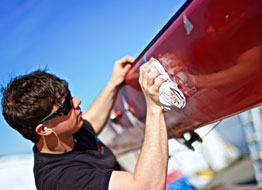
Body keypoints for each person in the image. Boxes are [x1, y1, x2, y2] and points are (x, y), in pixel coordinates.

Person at [1, 56, 168, 190]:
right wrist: (154, 106)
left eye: (69, 95)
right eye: (66, 106)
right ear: (44, 129)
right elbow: (147, 186)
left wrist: (113, 83)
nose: (77, 101)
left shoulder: (66, 133)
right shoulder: (62, 180)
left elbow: (91, 122)